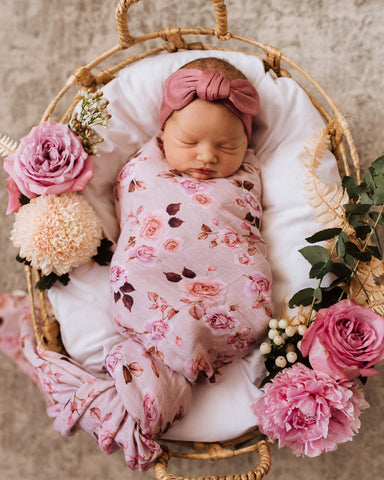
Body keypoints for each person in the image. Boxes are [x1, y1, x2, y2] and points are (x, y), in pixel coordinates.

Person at [105, 57, 273, 465]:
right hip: (153, 269)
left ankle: (158, 379)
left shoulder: (246, 176)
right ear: (163, 134)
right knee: (135, 273)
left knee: (248, 290)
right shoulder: (145, 167)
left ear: (245, 144)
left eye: (227, 146)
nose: (207, 157)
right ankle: (160, 373)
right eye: (189, 142)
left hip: (226, 280)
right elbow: (132, 202)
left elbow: (244, 228)